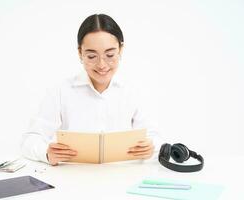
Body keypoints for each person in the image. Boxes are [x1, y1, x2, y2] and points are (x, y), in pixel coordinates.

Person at [21, 14, 160, 166]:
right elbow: (31, 140)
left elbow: (155, 137)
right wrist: (46, 153)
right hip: (73, 180)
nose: (102, 65)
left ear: (121, 49)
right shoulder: (61, 91)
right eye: (92, 56)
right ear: (80, 53)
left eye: (110, 55)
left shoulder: (132, 91)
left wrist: (150, 148)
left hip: (122, 179)